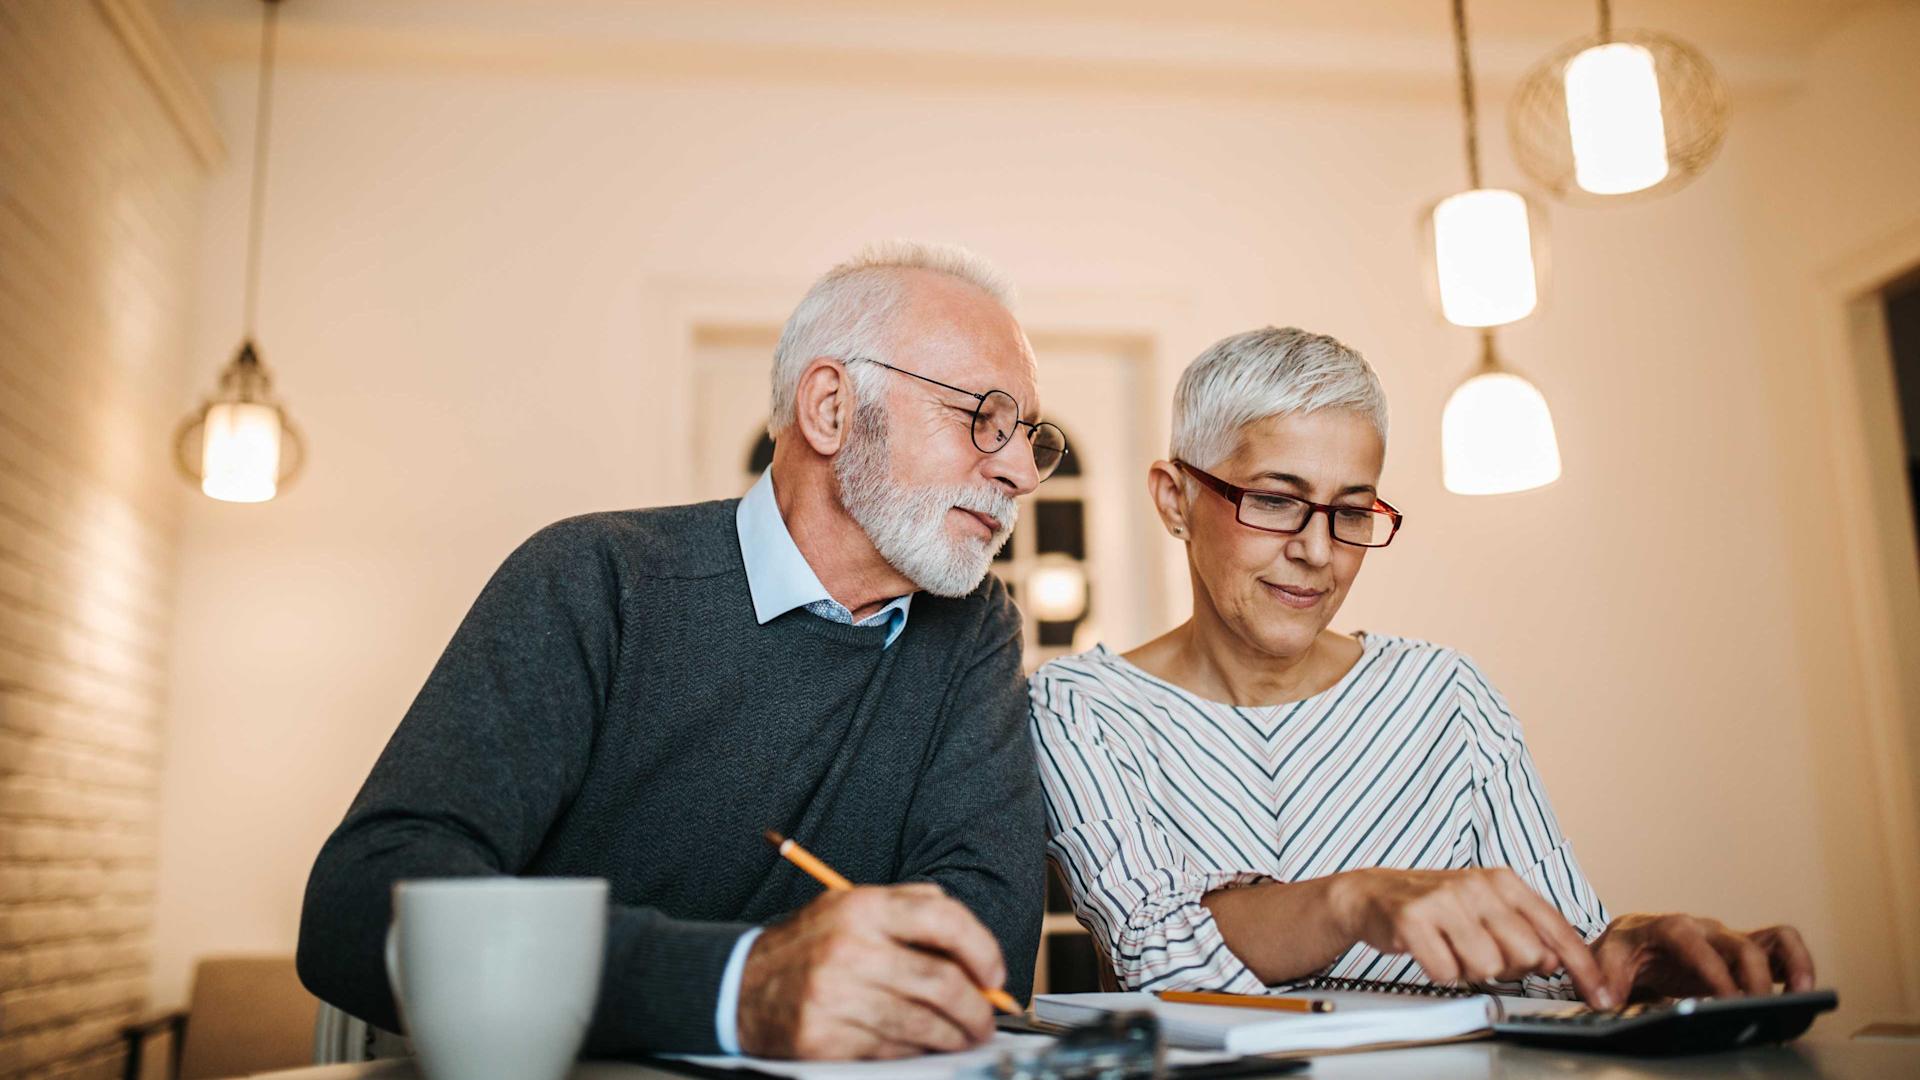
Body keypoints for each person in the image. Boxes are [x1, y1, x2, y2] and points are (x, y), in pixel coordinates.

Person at [298, 241, 1069, 1060]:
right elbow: (359, 906)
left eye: (1027, 434)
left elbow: (979, 959)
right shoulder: (598, 578)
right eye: (982, 416)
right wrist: (737, 987)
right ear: (831, 409)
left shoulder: (973, 628)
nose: (1020, 470)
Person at [1029, 326, 1815, 1008]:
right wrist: (1354, 899)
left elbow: (1556, 966)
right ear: (1174, 501)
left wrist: (1634, 952)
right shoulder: (1080, 708)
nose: (1316, 549)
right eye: (1275, 499)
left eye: (1352, 511)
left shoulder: (1447, 696)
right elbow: (1160, 960)